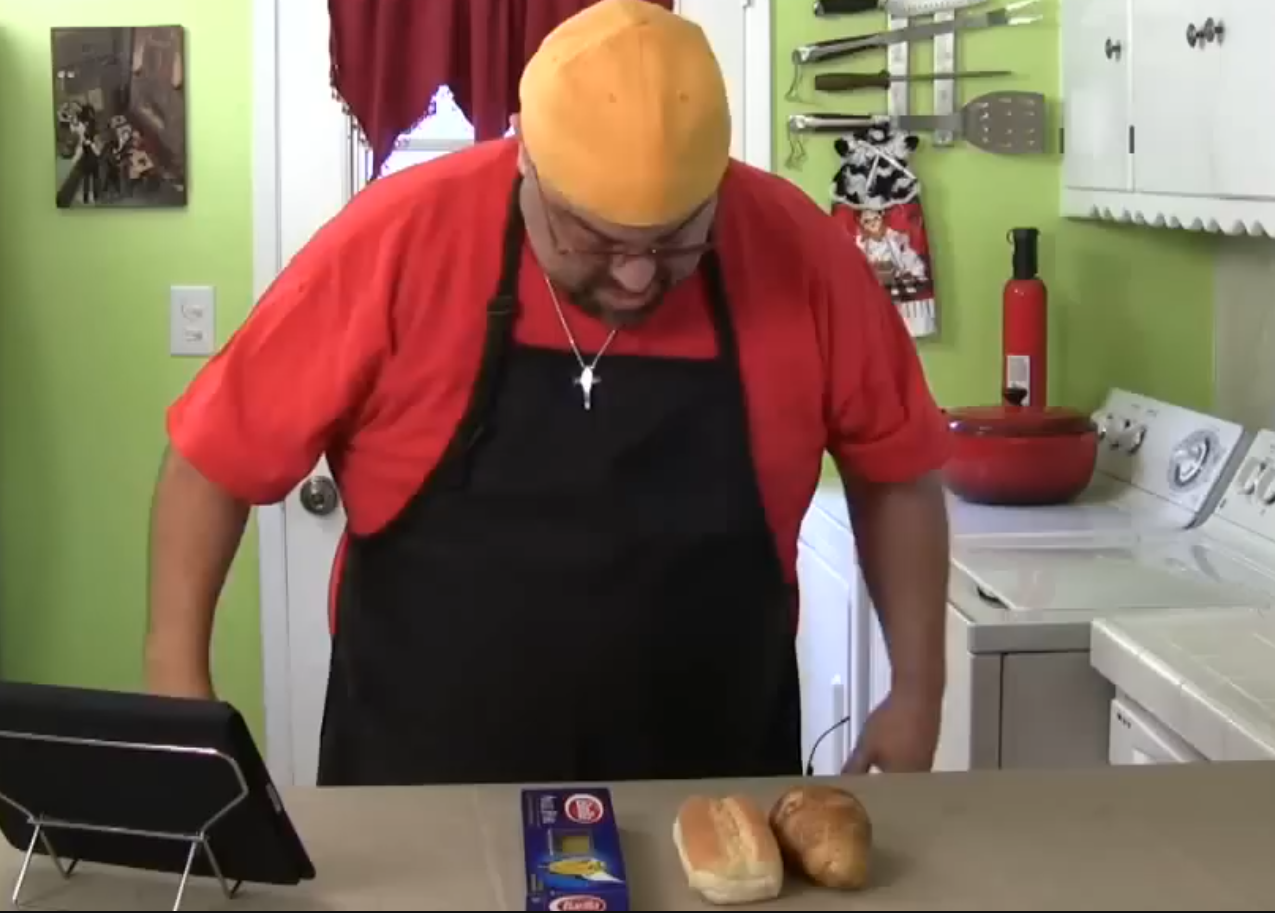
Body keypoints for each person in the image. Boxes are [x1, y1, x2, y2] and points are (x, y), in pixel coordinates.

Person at [145, 0, 952, 786]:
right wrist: (180, 698)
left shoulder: (798, 251)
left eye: (676, 239)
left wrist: (916, 689)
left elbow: (895, 473)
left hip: (714, 788)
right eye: (594, 239)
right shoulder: (398, 240)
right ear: (525, 157)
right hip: (421, 785)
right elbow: (211, 461)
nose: (634, 277)